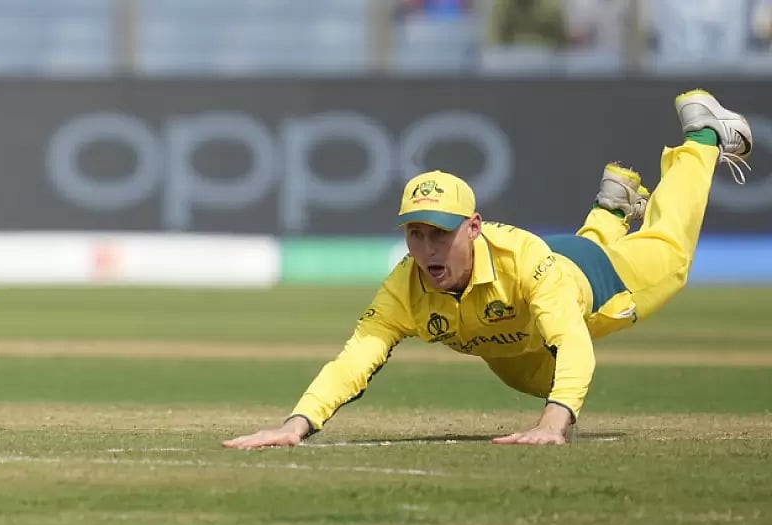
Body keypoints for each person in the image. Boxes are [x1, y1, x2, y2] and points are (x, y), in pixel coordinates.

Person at [224, 89, 752, 448]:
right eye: (415, 234)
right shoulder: (404, 288)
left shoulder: (523, 261)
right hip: (511, 348)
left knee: (671, 256)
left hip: (591, 281)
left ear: (474, 227)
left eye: (440, 234)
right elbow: (354, 359)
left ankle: (702, 137)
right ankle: (611, 209)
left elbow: (571, 341)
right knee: (529, 372)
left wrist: (553, 422)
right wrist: (296, 425)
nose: (426, 250)